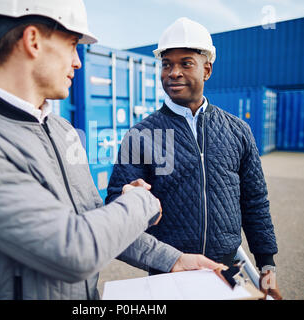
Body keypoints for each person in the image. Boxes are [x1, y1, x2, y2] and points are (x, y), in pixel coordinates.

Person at [0, 2, 222, 300]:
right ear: (33, 40)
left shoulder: (62, 131)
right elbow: (73, 250)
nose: (78, 61)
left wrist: (174, 260)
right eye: (72, 44)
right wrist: (140, 202)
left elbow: (95, 221)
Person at [106, 17, 282, 299]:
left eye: (185, 63)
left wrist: (267, 265)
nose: (173, 72)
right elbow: (116, 201)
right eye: (167, 64)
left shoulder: (238, 131)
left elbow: (255, 202)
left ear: (207, 69)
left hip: (228, 266)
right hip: (169, 269)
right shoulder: (141, 135)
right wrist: (129, 199)